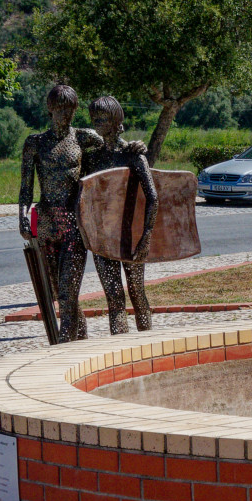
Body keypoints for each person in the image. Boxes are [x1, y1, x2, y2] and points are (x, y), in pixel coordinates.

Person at [18, 84, 103, 341]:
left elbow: (112, 149)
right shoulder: (35, 143)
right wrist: (22, 214)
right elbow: (25, 187)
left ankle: (62, 349)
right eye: (60, 110)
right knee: (60, 292)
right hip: (46, 223)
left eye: (69, 110)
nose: (64, 116)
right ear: (50, 109)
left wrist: (134, 147)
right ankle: (82, 339)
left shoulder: (83, 137)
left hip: (74, 223)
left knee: (68, 291)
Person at [83, 96, 158, 335]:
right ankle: (121, 349)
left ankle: (146, 343)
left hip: (131, 237)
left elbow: (153, 197)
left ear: (116, 121)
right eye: (94, 119)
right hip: (103, 237)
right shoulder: (92, 158)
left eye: (102, 118)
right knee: (113, 297)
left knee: (136, 290)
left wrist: (146, 236)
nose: (97, 124)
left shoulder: (132, 155)